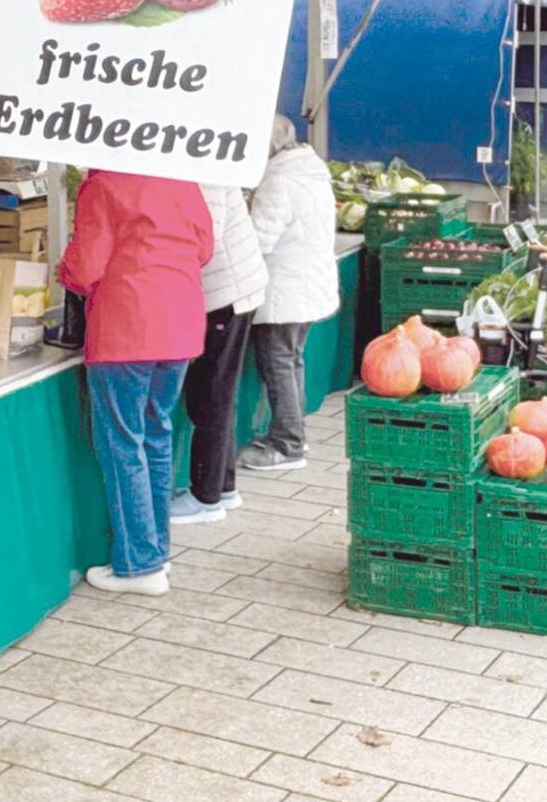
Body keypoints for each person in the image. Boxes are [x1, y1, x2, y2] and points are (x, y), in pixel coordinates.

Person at [57, 169, 212, 595]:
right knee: (156, 435)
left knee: (123, 443)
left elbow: (86, 266)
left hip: (126, 325)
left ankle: (140, 564)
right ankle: (155, 553)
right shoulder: (181, 178)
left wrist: (64, 272)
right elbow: (204, 248)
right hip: (180, 323)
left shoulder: (104, 183)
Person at [241, 116, 341, 472]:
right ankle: (294, 434)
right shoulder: (311, 173)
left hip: (285, 290)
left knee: (279, 364)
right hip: (308, 286)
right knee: (292, 360)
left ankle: (287, 445)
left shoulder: (278, 181)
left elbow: (258, 240)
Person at [169, 183, 268, 524]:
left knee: (211, 395)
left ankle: (205, 496)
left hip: (224, 293)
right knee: (218, 392)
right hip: (232, 286)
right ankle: (223, 486)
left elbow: (204, 237)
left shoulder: (204, 171)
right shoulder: (202, 167)